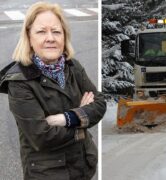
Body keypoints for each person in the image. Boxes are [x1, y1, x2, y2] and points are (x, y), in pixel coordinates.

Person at [0, 2, 106, 180]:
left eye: (56, 31)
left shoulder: (72, 66)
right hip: (48, 173)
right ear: (29, 37)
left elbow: (100, 103)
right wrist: (83, 118)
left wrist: (66, 118)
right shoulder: (19, 81)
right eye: (41, 31)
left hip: (83, 166)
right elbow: (41, 136)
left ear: (64, 37)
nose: (50, 38)